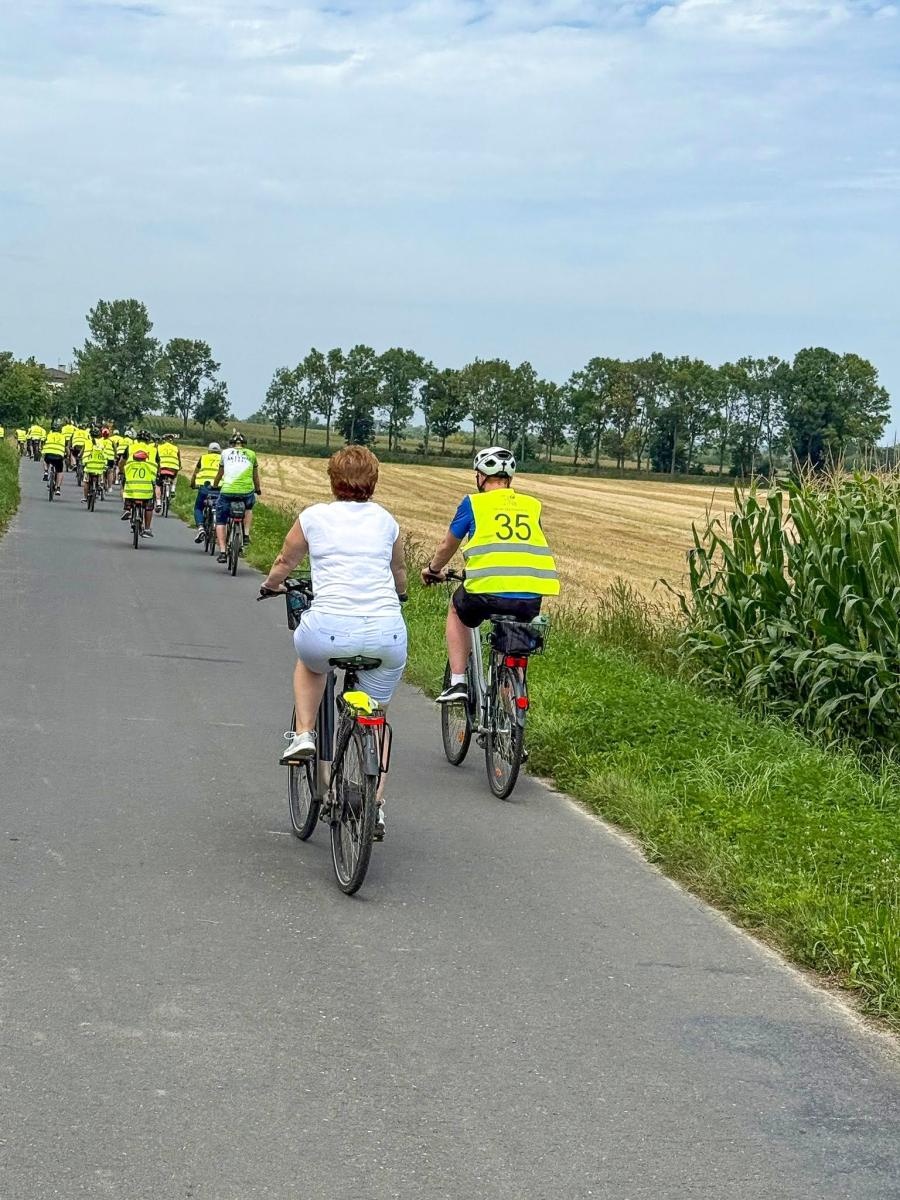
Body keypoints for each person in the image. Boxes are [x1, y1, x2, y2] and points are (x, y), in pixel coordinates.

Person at [260, 446, 408, 840]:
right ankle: (375, 805)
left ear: (332, 479)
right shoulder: (387, 520)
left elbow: (284, 561)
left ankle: (304, 734)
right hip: (386, 634)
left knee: (310, 664)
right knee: (377, 718)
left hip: (328, 629)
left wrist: (270, 586)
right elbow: (398, 570)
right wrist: (401, 593)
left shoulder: (313, 517)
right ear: (374, 481)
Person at [422, 446, 560, 703]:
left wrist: (433, 570)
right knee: (513, 647)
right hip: (530, 595)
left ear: (481, 476)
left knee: (456, 609)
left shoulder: (473, 503)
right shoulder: (532, 506)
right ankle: (512, 710)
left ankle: (458, 682)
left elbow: (447, 546)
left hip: (486, 591)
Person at [213, 433, 260, 563]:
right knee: (249, 507)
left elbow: (220, 473)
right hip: (246, 492)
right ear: (244, 444)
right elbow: (255, 476)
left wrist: (215, 485)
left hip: (228, 491)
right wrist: (258, 489)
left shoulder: (225, 453)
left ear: (231, 444)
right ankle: (246, 534)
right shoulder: (252, 454)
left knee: (221, 520)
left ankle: (223, 552)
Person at [190, 442, 222, 542]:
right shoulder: (223, 459)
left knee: (198, 507)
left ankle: (200, 528)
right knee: (220, 507)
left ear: (209, 451)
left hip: (205, 487)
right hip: (220, 487)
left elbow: (195, 473)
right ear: (219, 451)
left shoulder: (203, 458)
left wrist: (192, 484)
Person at [121, 449, 156, 536]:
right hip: (146, 493)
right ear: (145, 459)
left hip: (131, 492)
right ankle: (147, 528)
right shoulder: (150, 467)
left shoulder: (128, 466)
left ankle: (127, 509)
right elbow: (154, 479)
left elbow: (124, 476)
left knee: (125, 491)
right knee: (149, 508)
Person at [155, 434, 182, 511]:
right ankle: (173, 489)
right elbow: (178, 459)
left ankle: (158, 503)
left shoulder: (159, 447)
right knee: (175, 476)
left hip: (162, 468)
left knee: (158, 485)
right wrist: (179, 466)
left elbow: (156, 459)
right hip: (173, 468)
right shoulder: (176, 448)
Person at [82, 433, 108, 503]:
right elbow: (104, 455)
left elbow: (84, 454)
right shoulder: (101, 442)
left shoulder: (87, 442)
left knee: (86, 482)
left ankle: (85, 497)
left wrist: (84, 462)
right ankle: (100, 485)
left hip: (89, 466)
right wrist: (105, 464)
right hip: (99, 467)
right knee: (101, 474)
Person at [42, 424, 66, 493]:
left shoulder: (49, 435)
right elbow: (65, 446)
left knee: (45, 461)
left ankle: (46, 472)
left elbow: (44, 442)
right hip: (59, 455)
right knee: (59, 471)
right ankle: (58, 488)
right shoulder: (63, 437)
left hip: (49, 454)